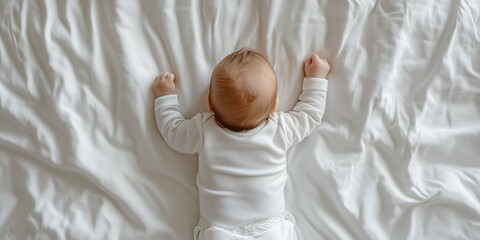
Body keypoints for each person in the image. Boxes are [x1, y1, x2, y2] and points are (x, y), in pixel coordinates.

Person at [153, 49, 330, 240]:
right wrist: (316, 79)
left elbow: (173, 131)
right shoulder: (280, 129)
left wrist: (165, 97)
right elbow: (310, 115)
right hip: (270, 228)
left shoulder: (204, 130)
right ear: (274, 106)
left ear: (209, 105)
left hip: (221, 231)